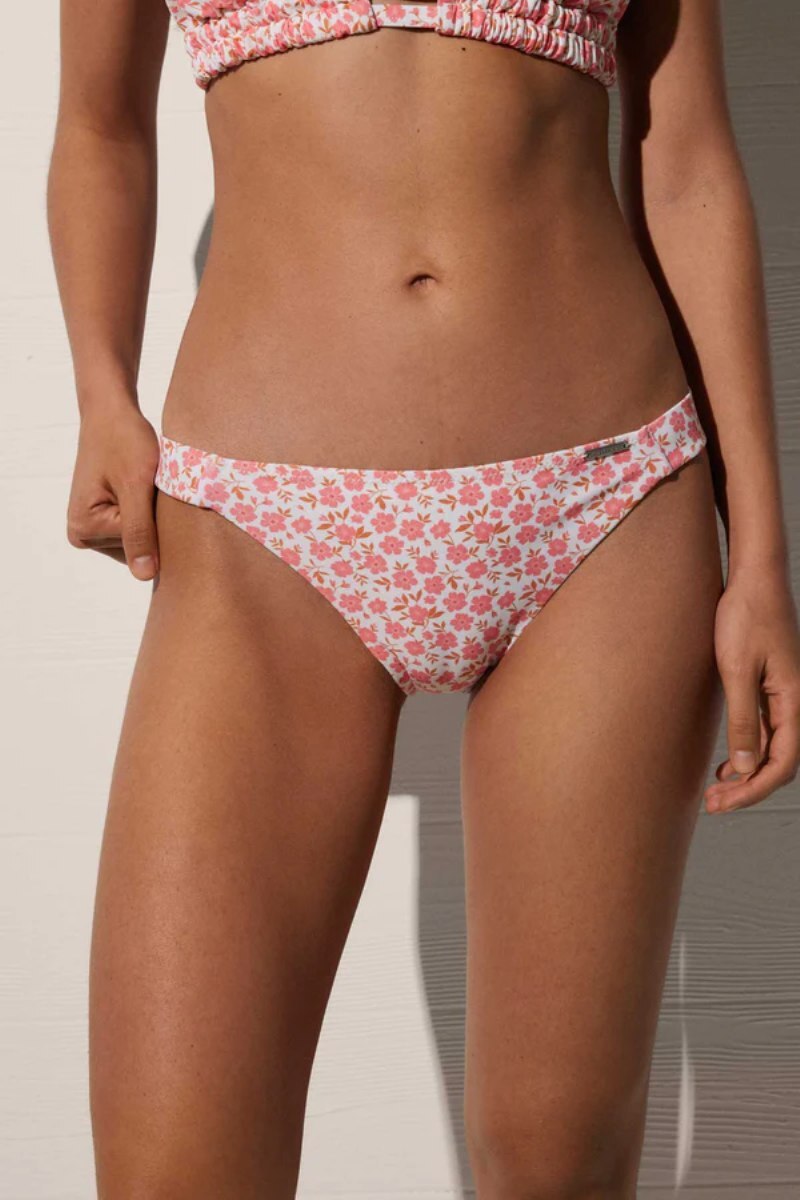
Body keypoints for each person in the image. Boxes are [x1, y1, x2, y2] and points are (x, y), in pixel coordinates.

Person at [47, 0, 800, 1195]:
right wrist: (101, 388)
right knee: (171, 1174)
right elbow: (99, 126)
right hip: (260, 524)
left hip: (602, 503)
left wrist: (757, 549)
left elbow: (686, 151)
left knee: (554, 1167)